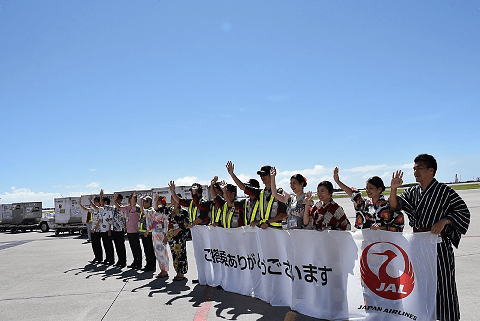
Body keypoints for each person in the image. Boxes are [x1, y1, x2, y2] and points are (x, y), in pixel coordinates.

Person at [389, 154, 470, 321]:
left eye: (419, 168)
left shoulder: (444, 191)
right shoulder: (411, 191)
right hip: (418, 245)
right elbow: (394, 207)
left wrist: (445, 221)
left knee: (444, 285)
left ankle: (447, 318)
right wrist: (393, 189)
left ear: (431, 170)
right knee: (419, 283)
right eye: (414, 169)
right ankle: (424, 316)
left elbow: (463, 212)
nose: (415, 172)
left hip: (438, 245)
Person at [333, 167, 404, 231]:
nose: (367, 190)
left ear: (379, 189)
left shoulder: (386, 206)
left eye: (371, 188)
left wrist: (381, 228)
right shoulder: (364, 205)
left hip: (385, 242)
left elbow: (397, 226)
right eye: (366, 188)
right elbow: (352, 194)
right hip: (367, 242)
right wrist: (337, 181)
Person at [226, 161, 287, 229]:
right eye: (261, 175)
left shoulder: (280, 193)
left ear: (271, 175)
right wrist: (232, 174)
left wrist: (267, 222)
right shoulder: (260, 193)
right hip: (262, 231)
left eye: (265, 174)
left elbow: (284, 214)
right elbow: (243, 187)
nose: (262, 177)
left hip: (276, 232)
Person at [141, 194, 169, 278]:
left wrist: (166, 236)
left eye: (158, 201)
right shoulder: (153, 212)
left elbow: (167, 224)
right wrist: (140, 200)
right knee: (158, 252)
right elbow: (143, 211)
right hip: (155, 234)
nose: (156, 203)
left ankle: (165, 270)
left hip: (161, 234)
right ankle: (162, 270)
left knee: (163, 252)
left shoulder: (165, 212)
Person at [166, 194, 189, 281]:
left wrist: (179, 230)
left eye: (172, 198)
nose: (171, 199)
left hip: (179, 237)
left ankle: (182, 273)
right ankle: (177, 272)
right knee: (174, 255)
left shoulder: (183, 211)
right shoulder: (171, 211)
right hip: (171, 237)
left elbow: (187, 224)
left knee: (181, 254)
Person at [118, 192, 143, 269]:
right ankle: (135, 261)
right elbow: (119, 207)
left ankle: (139, 263)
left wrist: (133, 197)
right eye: (129, 198)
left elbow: (134, 205)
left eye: (130, 198)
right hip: (129, 231)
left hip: (135, 231)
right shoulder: (127, 207)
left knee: (137, 248)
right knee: (133, 248)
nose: (129, 199)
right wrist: (115, 200)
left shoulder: (137, 208)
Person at [91, 190, 115, 265]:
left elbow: (111, 219)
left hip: (107, 229)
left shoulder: (109, 210)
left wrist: (109, 229)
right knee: (105, 245)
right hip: (102, 230)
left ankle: (111, 259)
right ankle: (107, 258)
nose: (101, 204)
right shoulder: (103, 210)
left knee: (109, 245)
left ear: (106, 203)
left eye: (103, 202)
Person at [81, 195, 102, 263]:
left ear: (99, 202)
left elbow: (99, 220)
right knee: (94, 244)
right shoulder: (93, 210)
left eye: (96, 202)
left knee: (98, 244)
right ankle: (96, 257)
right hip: (93, 229)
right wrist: (80, 204)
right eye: (94, 202)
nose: (94, 203)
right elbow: (86, 209)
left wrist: (95, 228)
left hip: (98, 229)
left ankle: (100, 258)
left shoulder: (100, 209)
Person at [138, 194, 157, 272]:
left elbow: (152, 222)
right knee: (146, 250)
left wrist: (147, 231)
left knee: (150, 250)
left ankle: (151, 266)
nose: (143, 203)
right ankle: (148, 264)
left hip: (148, 233)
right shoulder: (146, 210)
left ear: (148, 202)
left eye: (144, 202)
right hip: (144, 233)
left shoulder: (150, 210)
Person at [111, 193, 127, 268]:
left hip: (120, 229)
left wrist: (125, 227)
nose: (116, 200)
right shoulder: (113, 207)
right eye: (115, 199)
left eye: (117, 199)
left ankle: (123, 261)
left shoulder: (122, 207)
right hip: (114, 229)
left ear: (121, 200)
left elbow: (124, 218)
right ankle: (119, 260)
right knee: (117, 246)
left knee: (121, 246)